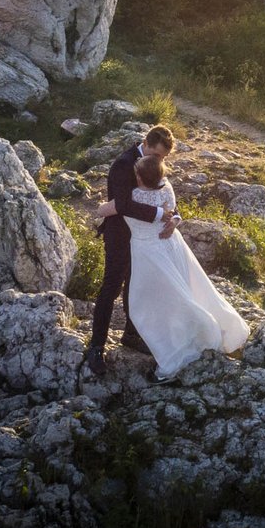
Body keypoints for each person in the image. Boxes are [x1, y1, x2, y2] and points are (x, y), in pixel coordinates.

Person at [124, 152, 250, 380]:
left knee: (150, 303)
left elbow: (113, 209)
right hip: (172, 246)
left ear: (140, 178)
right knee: (189, 288)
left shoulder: (134, 197)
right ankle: (206, 329)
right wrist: (174, 219)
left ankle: (197, 332)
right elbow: (172, 211)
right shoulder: (167, 189)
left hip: (150, 253)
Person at [82, 124, 179, 378]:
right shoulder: (123, 164)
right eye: (157, 155)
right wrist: (160, 215)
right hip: (120, 236)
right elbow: (123, 204)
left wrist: (175, 218)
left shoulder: (153, 164)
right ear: (145, 143)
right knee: (111, 288)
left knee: (135, 286)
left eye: (163, 158)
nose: (159, 162)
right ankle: (96, 347)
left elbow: (165, 193)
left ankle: (130, 334)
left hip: (143, 239)